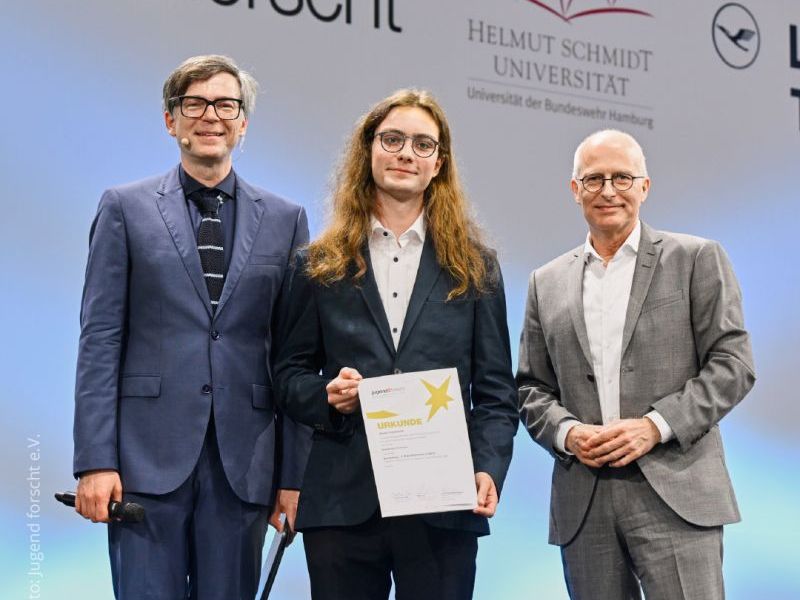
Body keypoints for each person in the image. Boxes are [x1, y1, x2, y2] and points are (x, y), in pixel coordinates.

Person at [72, 54, 310, 599]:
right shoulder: (123, 208)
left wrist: (293, 476)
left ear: (243, 122)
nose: (210, 116)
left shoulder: (286, 220)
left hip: (244, 468)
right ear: (170, 119)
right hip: (142, 464)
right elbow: (100, 339)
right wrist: (95, 460)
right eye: (195, 104)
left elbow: (293, 356)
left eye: (226, 105)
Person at [274, 89, 518, 600]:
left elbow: (497, 393)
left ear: (438, 164)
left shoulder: (476, 268)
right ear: (369, 150)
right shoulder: (316, 264)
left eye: (423, 144)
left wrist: (488, 468)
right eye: (392, 139)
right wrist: (325, 395)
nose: (406, 153)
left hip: (443, 503)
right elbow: (288, 376)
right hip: (342, 502)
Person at [517, 129, 756, 599]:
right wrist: (568, 433)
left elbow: (733, 364)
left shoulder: (695, 258)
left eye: (622, 178)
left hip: (677, 494)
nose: (608, 190)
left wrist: (654, 426)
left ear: (644, 187)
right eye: (594, 179)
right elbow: (530, 388)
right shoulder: (545, 282)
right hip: (585, 502)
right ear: (575, 190)